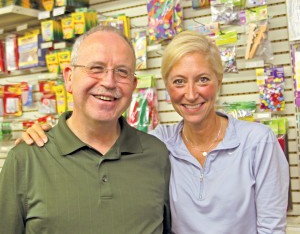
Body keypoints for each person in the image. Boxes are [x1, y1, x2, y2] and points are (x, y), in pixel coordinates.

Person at [18, 31, 290, 234]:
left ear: (219, 81)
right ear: (168, 88)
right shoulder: (158, 145)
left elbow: (271, 228)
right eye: (179, 81)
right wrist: (51, 132)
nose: (191, 93)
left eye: (203, 79)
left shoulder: (257, 142)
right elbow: (99, 124)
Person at [0, 25, 171, 234]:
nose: (109, 82)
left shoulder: (157, 154)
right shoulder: (26, 159)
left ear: (134, 85)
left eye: (122, 72)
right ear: (69, 78)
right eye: (96, 68)